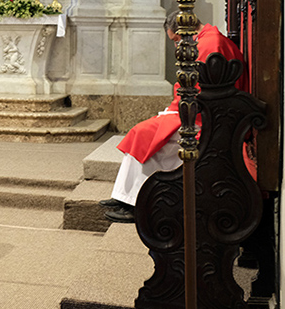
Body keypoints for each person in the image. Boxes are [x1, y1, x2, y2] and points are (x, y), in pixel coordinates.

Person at [101, 12, 246, 223]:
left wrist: (175, 109)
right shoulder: (206, 40)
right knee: (145, 132)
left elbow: (201, 89)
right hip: (202, 111)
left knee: (147, 135)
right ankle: (124, 197)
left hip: (208, 118)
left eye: (176, 40)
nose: (177, 46)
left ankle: (135, 203)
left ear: (184, 31)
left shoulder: (210, 44)